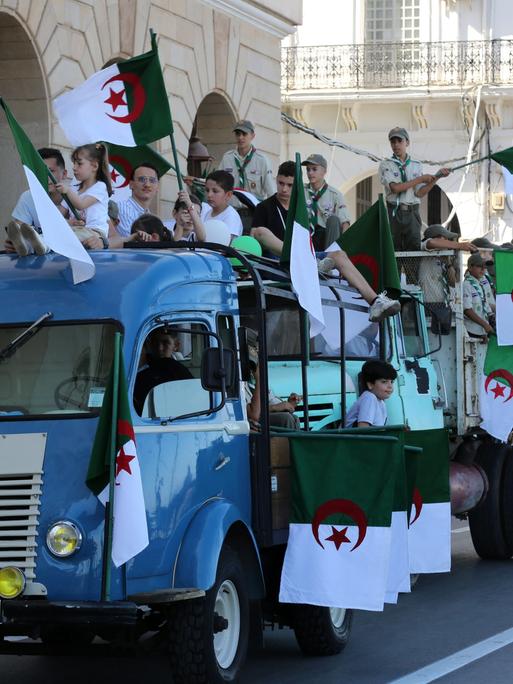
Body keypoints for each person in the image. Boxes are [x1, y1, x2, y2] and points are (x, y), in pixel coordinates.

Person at [249, 160, 399, 323]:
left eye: (290, 185)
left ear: (298, 185)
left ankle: (375, 301)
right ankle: (309, 262)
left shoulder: (302, 208)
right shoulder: (264, 207)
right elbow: (253, 239)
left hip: (306, 259)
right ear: (276, 180)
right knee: (260, 231)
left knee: (339, 255)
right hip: (275, 263)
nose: (284, 189)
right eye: (280, 183)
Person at [9, 143, 112, 256]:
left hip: (94, 233)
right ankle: (27, 245)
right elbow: (58, 215)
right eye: (74, 163)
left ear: (94, 166)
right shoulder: (73, 189)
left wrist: (67, 192)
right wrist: (69, 222)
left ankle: (44, 246)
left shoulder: (100, 187)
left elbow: (81, 205)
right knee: (57, 234)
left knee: (64, 237)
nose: (74, 167)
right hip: (77, 230)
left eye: (79, 164)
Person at [379, 127, 450, 251]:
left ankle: (412, 271)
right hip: (395, 212)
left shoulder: (416, 165)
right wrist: (421, 179)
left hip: (412, 212)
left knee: (413, 249)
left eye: (399, 141)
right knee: (394, 251)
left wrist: (436, 177)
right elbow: (395, 188)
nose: (396, 145)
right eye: (393, 142)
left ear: (407, 142)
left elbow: (419, 192)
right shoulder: (386, 164)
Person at [133, 327, 193, 415]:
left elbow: (190, 398)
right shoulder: (141, 370)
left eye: (165, 343)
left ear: (176, 345)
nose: (160, 348)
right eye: (155, 342)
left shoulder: (180, 371)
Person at [301, 153, 350, 247]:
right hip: (307, 235)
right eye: (308, 169)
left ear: (324, 171)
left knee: (334, 219)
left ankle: (331, 256)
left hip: (327, 237)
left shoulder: (335, 195)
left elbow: (345, 222)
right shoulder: (301, 191)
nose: (310, 173)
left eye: (314, 169)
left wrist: (343, 246)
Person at [218, 120, 275, 201]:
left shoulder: (261, 160)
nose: (240, 137)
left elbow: (270, 191)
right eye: (238, 134)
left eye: (244, 134)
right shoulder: (227, 158)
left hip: (254, 210)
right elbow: (218, 184)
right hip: (232, 210)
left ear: (252, 136)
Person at [344, 360, 397, 427]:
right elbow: (363, 428)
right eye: (384, 382)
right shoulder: (369, 398)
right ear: (370, 385)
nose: (390, 386)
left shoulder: (381, 402)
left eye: (392, 382)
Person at [113, 162, 160, 238]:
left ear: (158, 187)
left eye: (152, 180)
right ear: (131, 184)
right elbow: (135, 240)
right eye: (142, 179)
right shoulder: (119, 209)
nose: (147, 185)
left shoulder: (151, 217)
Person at [202, 170, 243, 239]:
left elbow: (227, 242)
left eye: (215, 191)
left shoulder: (231, 216)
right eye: (207, 190)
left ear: (228, 195)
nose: (209, 195)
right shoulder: (207, 213)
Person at [463, 253, 494, 342]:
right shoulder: (467, 285)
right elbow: (467, 310)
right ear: (470, 267)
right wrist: (484, 325)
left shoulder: (480, 283)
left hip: (482, 330)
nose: (483, 270)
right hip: (471, 330)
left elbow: (485, 304)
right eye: (480, 266)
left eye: (484, 267)